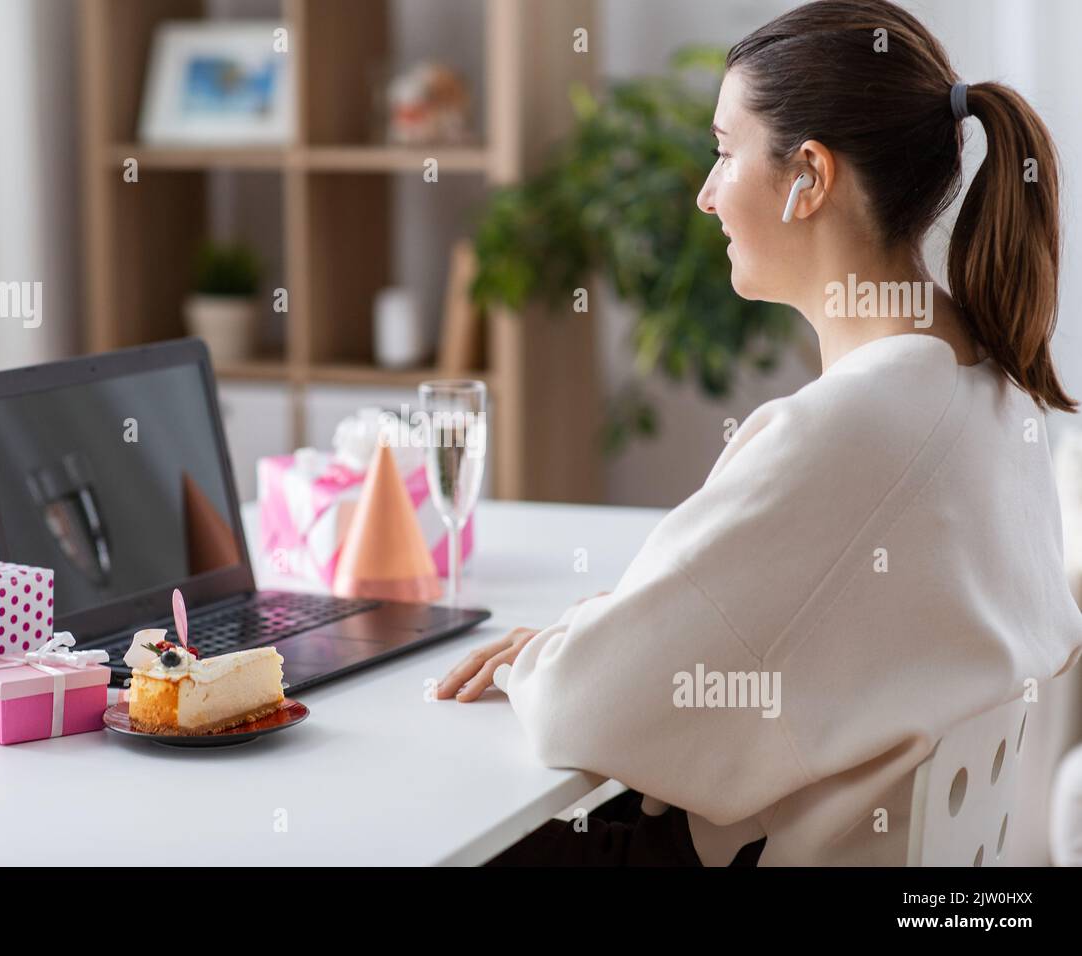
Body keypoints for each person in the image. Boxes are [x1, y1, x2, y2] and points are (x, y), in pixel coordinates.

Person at [438, 0, 1082, 866]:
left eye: (723, 149)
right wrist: (620, 632)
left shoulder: (849, 429)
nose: (705, 194)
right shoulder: (992, 386)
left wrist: (554, 652)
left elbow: (579, 709)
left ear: (807, 177)